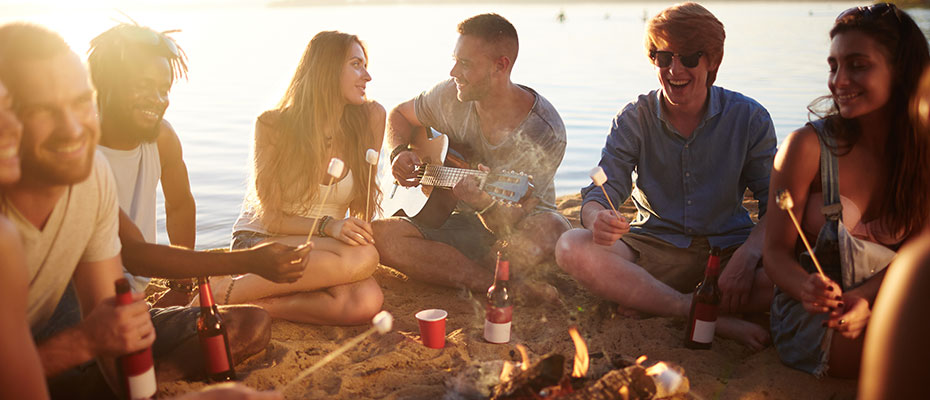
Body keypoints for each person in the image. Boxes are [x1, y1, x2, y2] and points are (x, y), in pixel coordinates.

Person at [0, 23, 271, 399]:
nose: (73, 128)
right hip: (52, 346)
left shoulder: (91, 177)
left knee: (243, 326)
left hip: (62, 350)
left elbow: (113, 333)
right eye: (41, 110)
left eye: (80, 102)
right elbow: (133, 264)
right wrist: (83, 344)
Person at [555, 2, 776, 350]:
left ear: (713, 62)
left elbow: (775, 205)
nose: (675, 69)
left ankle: (651, 300)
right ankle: (696, 310)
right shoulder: (633, 117)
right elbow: (601, 191)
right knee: (570, 246)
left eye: (689, 58)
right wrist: (596, 218)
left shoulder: (750, 118)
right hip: (655, 249)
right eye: (663, 57)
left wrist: (748, 257)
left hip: (729, 253)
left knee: (796, 272)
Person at [87, 23, 312, 308]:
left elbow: (179, 204)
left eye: (163, 89)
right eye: (142, 86)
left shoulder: (162, 138)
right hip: (85, 307)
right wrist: (250, 260)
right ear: (105, 84)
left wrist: (181, 287)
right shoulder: (79, 153)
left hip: (134, 299)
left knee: (250, 323)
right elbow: (134, 254)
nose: (157, 100)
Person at [765, 3, 930, 378]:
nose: (839, 80)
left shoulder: (924, 153)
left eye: (857, 65)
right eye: (834, 66)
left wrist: (870, 299)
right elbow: (774, 253)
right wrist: (806, 287)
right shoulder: (806, 148)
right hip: (818, 316)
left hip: (892, 297)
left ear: (901, 71)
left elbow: (917, 255)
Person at [372, 13, 569, 292]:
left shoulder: (544, 130)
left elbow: (514, 217)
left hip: (518, 228)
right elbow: (399, 115)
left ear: (500, 66)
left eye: (464, 64)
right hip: (455, 221)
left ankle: (470, 272)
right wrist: (399, 152)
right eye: (454, 60)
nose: (453, 73)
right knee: (381, 234)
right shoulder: (450, 95)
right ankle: (494, 284)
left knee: (553, 228)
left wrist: (483, 204)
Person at [225, 31, 384, 325]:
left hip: (327, 248)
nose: (368, 76)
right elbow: (271, 219)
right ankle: (223, 292)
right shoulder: (273, 125)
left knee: (366, 301)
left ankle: (264, 307)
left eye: (365, 64)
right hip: (262, 242)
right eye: (356, 64)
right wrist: (329, 226)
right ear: (327, 69)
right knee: (364, 258)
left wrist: (349, 230)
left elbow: (363, 206)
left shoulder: (370, 118)